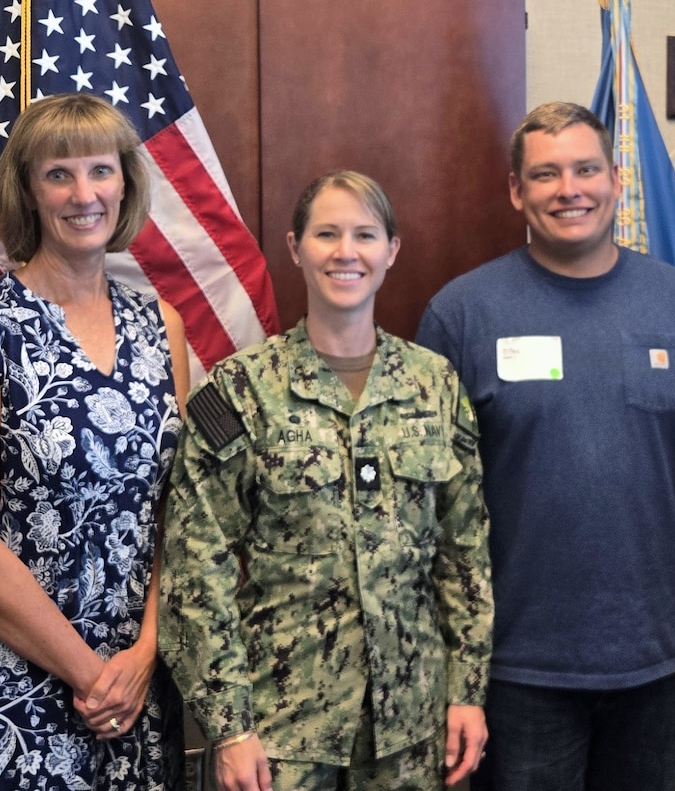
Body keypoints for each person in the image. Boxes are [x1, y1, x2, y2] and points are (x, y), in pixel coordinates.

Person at [415, 102, 675, 791]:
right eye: (545, 174)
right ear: (517, 191)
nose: (568, 189)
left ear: (615, 180)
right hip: (515, 663)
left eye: (585, 169)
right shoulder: (461, 314)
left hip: (662, 657)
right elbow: (425, 499)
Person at [161, 171, 491, 791]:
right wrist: (229, 728)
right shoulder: (241, 390)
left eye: (365, 235)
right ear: (295, 248)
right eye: (327, 234)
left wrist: (466, 691)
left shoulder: (435, 385)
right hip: (281, 734)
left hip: (413, 731)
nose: (346, 252)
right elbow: (195, 567)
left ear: (391, 250)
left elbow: (463, 552)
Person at [0, 93, 191, 790]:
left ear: (126, 184)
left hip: (138, 685)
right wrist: (90, 673)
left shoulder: (162, 325)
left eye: (101, 171)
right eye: (59, 174)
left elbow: (181, 511)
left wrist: (144, 653)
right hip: (12, 690)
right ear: (28, 191)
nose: (83, 194)